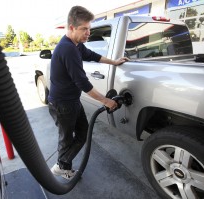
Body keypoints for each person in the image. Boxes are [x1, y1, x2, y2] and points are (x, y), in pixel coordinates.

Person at [49, 5, 129, 180]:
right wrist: (106, 101)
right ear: (71, 28)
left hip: (71, 101)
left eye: (89, 29)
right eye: (84, 29)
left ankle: (62, 164)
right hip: (62, 105)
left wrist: (114, 62)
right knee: (67, 139)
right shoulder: (67, 49)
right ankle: (62, 167)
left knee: (82, 133)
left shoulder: (76, 45)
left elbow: (93, 55)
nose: (88, 33)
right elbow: (83, 83)